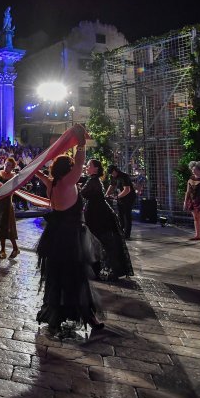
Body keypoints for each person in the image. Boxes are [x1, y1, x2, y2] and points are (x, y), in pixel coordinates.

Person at [33, 125, 104, 335]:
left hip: (54, 236)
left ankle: (55, 316)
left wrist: (34, 166)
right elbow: (81, 162)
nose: (77, 169)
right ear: (68, 169)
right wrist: (81, 144)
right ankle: (88, 316)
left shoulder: (52, 183)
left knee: (56, 277)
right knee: (76, 277)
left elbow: (38, 173)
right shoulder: (67, 182)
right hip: (70, 237)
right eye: (72, 166)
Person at [81, 159, 133, 280]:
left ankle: (102, 268)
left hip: (98, 214)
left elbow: (84, 193)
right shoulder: (94, 180)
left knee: (100, 241)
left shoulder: (93, 180)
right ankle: (99, 268)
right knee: (100, 241)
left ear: (96, 169)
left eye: (89, 166)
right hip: (97, 212)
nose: (86, 167)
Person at [0, 157, 20, 259]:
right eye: (6, 164)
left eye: (9, 165)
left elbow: (13, 190)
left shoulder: (14, 177)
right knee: (1, 227)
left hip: (6, 203)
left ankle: (13, 248)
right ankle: (4, 250)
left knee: (7, 227)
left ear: (12, 167)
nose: (7, 166)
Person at [106, 165, 136, 239]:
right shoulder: (113, 177)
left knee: (127, 215)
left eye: (113, 173)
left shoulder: (124, 177)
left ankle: (127, 234)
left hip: (129, 198)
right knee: (120, 215)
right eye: (111, 174)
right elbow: (111, 186)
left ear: (115, 170)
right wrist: (106, 194)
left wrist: (117, 197)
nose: (112, 175)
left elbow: (127, 190)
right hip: (121, 198)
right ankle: (121, 232)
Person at [183, 162, 200, 241]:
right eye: (192, 169)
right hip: (193, 201)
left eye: (195, 169)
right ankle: (197, 235)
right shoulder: (190, 180)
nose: (193, 171)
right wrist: (185, 202)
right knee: (196, 218)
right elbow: (187, 192)